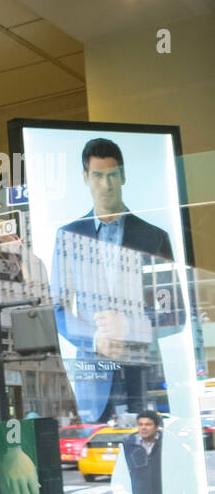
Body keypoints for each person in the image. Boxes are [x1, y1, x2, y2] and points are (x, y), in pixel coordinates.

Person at [50, 138, 185, 424]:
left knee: (151, 462)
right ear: (86, 178)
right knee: (97, 467)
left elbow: (174, 314)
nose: (106, 184)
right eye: (98, 175)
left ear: (123, 176)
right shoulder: (69, 236)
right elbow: (57, 310)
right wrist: (94, 338)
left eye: (112, 175)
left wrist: (130, 327)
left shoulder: (153, 237)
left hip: (144, 378)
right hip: (93, 380)